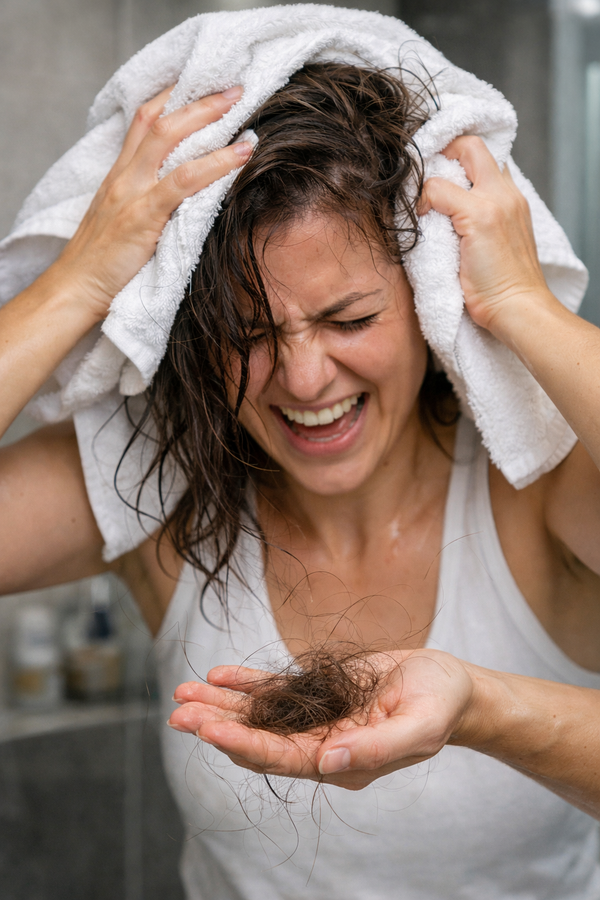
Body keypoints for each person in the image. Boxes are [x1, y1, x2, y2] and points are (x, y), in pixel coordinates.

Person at [2, 60, 600, 898]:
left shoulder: (536, 480)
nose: (305, 378)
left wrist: (522, 303)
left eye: (349, 318)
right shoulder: (164, 482)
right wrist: (79, 280)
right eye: (246, 334)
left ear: (430, 299)